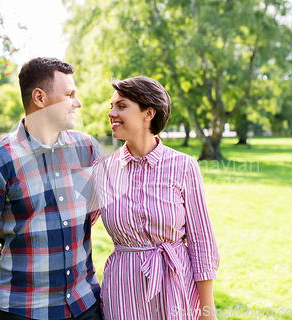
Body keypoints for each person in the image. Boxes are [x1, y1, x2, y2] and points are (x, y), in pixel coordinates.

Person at [0, 57, 104, 320]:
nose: (78, 103)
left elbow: (102, 209)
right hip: (24, 310)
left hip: (86, 304)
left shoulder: (87, 149)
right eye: (70, 94)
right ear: (40, 98)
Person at [94, 76, 220, 320]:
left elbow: (201, 241)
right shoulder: (103, 170)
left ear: (148, 113)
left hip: (176, 287)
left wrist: (207, 311)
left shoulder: (184, 166)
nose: (111, 113)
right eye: (111, 106)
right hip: (123, 291)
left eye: (121, 106)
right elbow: (78, 226)